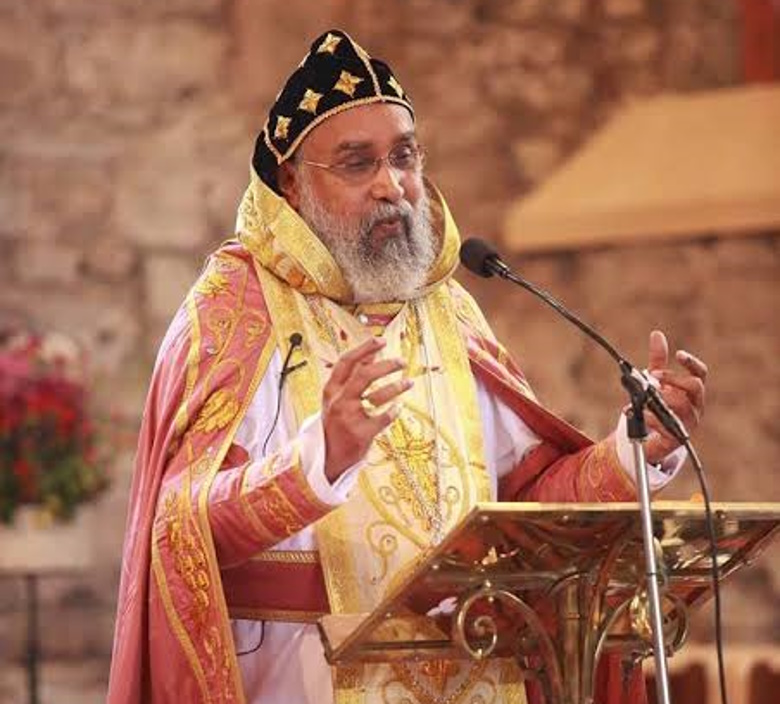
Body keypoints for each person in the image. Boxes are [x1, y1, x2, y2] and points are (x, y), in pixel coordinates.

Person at [107, 29, 708, 704]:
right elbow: (182, 529)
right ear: (292, 184)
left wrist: (635, 452)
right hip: (301, 679)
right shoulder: (233, 311)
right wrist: (320, 461)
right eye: (357, 163)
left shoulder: (450, 311)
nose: (391, 185)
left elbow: (530, 506)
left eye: (404, 156)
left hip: (476, 673)